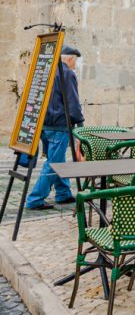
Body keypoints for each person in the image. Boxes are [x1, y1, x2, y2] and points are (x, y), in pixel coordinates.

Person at [26, 45, 85, 210]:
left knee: (57, 160)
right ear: (70, 58)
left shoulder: (48, 72)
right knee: (54, 163)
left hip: (44, 125)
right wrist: (80, 123)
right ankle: (35, 199)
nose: (75, 65)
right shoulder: (67, 73)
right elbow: (73, 103)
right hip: (60, 125)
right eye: (75, 61)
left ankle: (63, 193)